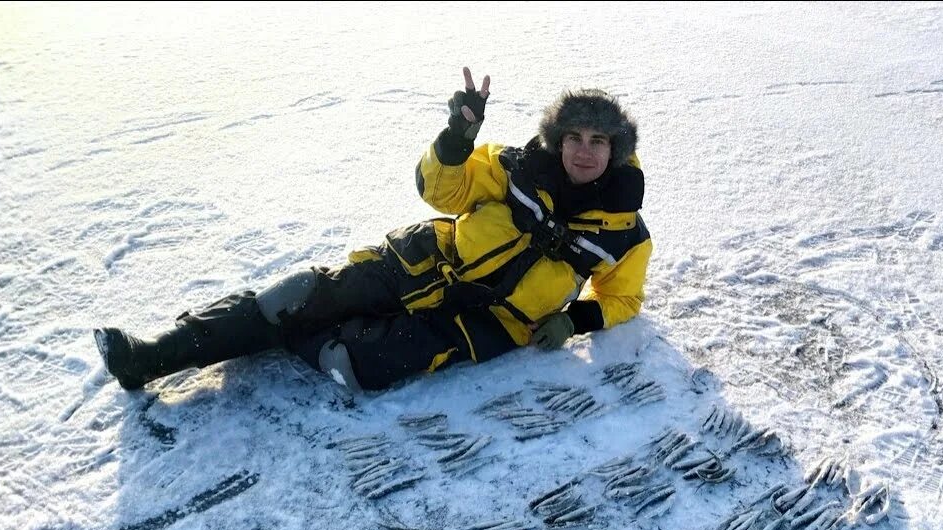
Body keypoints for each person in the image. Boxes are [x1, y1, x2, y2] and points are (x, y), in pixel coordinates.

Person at [94, 68, 651, 392]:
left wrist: (572, 318)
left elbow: (623, 297)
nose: (583, 151)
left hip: (484, 322)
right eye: (574, 137)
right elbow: (442, 191)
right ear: (557, 139)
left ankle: (290, 332)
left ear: (616, 149)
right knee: (293, 298)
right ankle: (151, 357)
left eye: (598, 142)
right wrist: (456, 140)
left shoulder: (625, 234)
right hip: (427, 259)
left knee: (352, 363)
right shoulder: (513, 166)